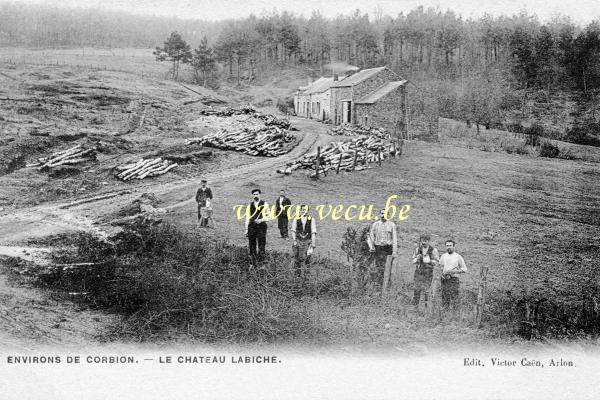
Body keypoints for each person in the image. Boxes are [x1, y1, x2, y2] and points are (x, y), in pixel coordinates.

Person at [367, 208, 398, 287]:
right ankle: (379, 286)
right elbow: (370, 236)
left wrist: (394, 251)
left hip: (388, 248)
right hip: (378, 248)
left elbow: (394, 238)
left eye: (386, 214)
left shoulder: (391, 225)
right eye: (382, 213)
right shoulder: (375, 224)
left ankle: (387, 285)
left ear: (388, 215)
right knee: (379, 267)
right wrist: (372, 246)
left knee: (387, 267)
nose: (384, 215)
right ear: (379, 215)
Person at [290, 204, 316, 285]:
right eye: (302, 209)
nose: (304, 211)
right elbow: (293, 230)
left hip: (307, 242)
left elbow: (313, 232)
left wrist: (313, 243)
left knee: (307, 260)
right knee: (297, 259)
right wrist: (294, 240)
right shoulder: (296, 219)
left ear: (308, 211)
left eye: (305, 210)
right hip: (298, 241)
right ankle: (297, 278)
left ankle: (306, 279)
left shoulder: (311, 219)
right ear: (300, 210)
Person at [438, 239, 468, 310]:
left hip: (454, 279)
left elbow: (464, 269)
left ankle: (455, 314)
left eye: (450, 245)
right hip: (445, 279)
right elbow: (440, 266)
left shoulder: (458, 257)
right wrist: (443, 273)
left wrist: (454, 272)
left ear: (454, 246)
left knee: (454, 296)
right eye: (447, 246)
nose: (448, 247)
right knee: (444, 296)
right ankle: (445, 313)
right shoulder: (443, 256)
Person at [245, 189, 271, 268]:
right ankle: (252, 264)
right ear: (252, 195)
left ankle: (262, 264)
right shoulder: (249, 205)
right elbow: (247, 218)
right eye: (254, 194)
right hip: (251, 227)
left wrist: (261, 220)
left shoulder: (265, 204)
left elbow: (269, 217)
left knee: (261, 246)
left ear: (260, 194)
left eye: (257, 194)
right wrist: (246, 229)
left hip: (261, 227)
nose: (255, 196)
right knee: (252, 246)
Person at [412, 234, 439, 306]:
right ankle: (415, 306)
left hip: (428, 272)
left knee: (426, 289)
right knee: (416, 289)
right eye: (422, 241)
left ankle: (426, 307)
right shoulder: (417, 249)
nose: (423, 243)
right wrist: (417, 259)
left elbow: (437, 261)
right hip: (418, 271)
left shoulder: (433, 250)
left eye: (425, 241)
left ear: (429, 241)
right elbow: (413, 260)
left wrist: (430, 261)